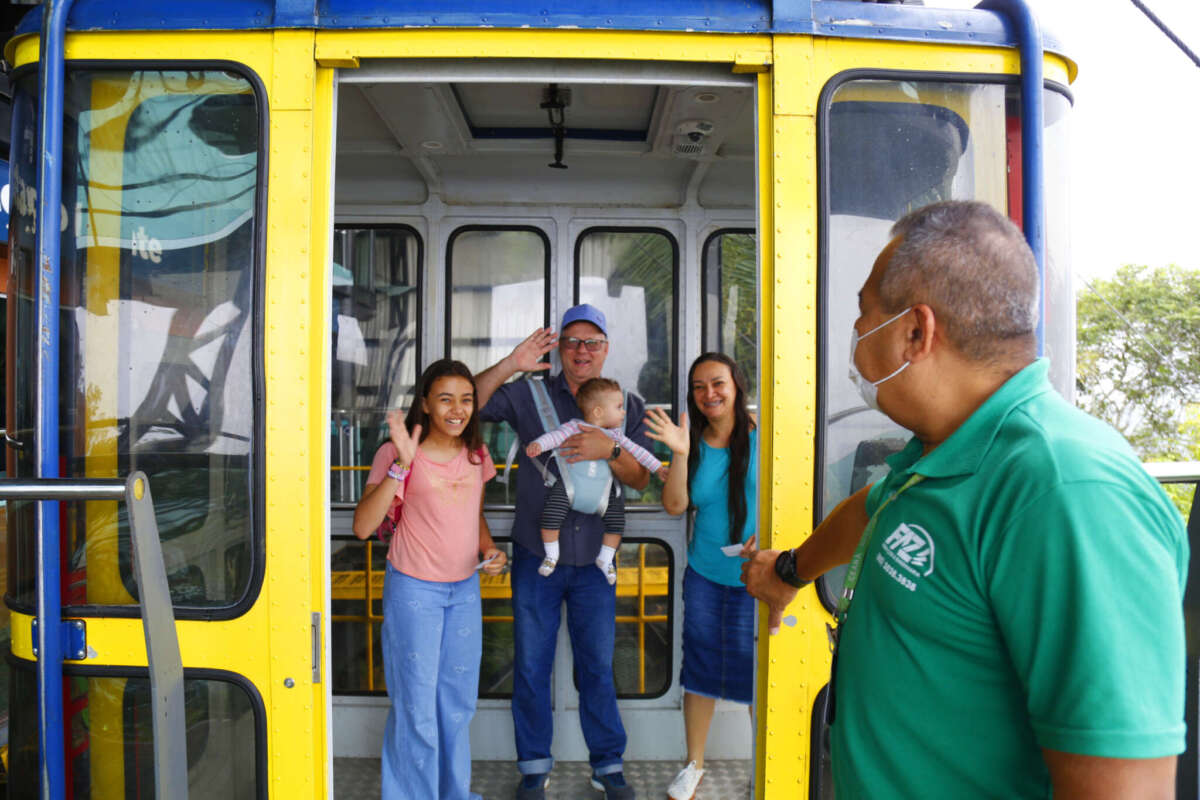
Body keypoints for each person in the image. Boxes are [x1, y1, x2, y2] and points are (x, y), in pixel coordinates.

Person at [741, 200, 1188, 799]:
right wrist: (791, 571)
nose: (854, 336)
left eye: (863, 313)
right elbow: (877, 509)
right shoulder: (940, 454)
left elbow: (1123, 788)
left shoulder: (1067, 495)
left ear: (914, 332)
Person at [475, 303, 652, 800]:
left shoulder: (626, 405)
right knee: (531, 664)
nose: (581, 351)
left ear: (606, 349)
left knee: (597, 663)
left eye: (591, 342)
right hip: (538, 553)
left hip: (598, 559)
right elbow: (469, 402)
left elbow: (640, 479)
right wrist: (512, 362)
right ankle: (534, 766)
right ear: (559, 349)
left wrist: (611, 451)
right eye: (572, 342)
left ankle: (607, 764)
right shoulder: (529, 395)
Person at [351, 359, 508, 800]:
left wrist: (489, 551)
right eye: (445, 399)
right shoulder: (397, 452)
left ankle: (453, 794)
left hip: (464, 591)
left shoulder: (476, 453)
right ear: (425, 404)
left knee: (456, 707)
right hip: (414, 591)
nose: (457, 409)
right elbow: (363, 527)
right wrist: (402, 464)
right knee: (416, 708)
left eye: (466, 399)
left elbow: (472, 514)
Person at [644, 353, 758, 800]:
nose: (709, 393)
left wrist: (766, 545)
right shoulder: (689, 441)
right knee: (701, 670)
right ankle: (694, 766)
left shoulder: (766, 438)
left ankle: (764, 767)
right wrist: (679, 452)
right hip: (707, 577)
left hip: (757, 578)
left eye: (718, 383)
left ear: (736, 386)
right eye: (698, 387)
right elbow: (675, 506)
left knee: (758, 677)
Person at [526, 376, 669, 583]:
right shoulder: (574, 427)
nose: (624, 412)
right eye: (619, 407)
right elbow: (554, 438)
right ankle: (552, 555)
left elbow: (638, 453)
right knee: (550, 515)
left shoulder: (617, 437)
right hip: (569, 487)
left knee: (616, 522)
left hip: (602, 494)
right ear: (599, 412)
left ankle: (605, 558)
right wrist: (538, 445)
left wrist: (657, 468)